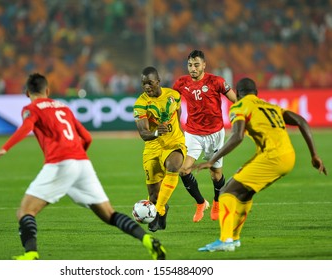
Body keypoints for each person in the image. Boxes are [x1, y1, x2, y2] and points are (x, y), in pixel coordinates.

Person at [0, 73, 166, 260]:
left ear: (27, 93)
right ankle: (147, 240)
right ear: (47, 91)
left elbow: (26, 128)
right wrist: (79, 158)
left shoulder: (31, 108)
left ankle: (31, 254)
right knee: (109, 215)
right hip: (82, 163)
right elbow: (87, 137)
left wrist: (4, 148)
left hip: (60, 163)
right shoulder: (63, 108)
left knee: (25, 211)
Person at [192, 77, 327, 252]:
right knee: (243, 194)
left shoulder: (240, 106)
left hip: (273, 158)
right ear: (256, 93)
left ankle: (226, 240)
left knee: (226, 192)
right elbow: (301, 121)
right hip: (288, 157)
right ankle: (234, 238)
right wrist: (314, 155)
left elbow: (237, 136)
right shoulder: (271, 106)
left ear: (238, 94)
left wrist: (212, 160)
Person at [173, 50, 237, 222]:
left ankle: (217, 202)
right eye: (189, 65)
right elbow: (172, 102)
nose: (192, 68)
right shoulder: (181, 83)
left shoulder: (216, 81)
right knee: (184, 170)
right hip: (193, 133)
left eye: (196, 65)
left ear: (203, 65)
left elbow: (237, 100)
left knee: (216, 175)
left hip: (215, 134)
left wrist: (244, 114)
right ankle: (201, 203)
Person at [133, 66, 186, 232]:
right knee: (154, 194)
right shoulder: (141, 103)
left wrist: (181, 135)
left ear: (158, 81)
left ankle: (158, 211)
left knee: (173, 165)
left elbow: (178, 114)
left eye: (150, 83)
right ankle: (161, 214)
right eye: (144, 84)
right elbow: (143, 133)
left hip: (174, 142)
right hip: (152, 146)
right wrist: (156, 132)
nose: (147, 87)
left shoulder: (174, 95)